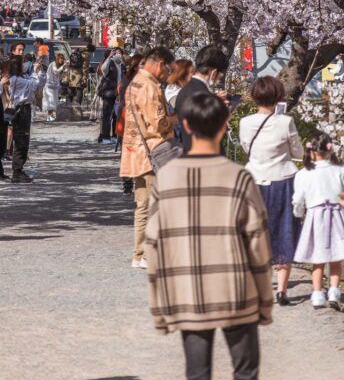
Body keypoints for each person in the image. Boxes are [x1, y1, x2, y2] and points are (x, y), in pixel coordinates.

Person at [145, 92, 273, 380]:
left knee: (198, 374)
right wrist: (265, 302)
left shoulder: (167, 179)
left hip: (189, 291)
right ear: (224, 125)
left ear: (186, 126)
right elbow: (259, 246)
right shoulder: (239, 178)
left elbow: (153, 246)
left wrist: (160, 308)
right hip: (236, 290)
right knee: (246, 372)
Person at [239, 76, 303, 306]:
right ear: (277, 97)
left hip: (254, 180)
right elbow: (298, 153)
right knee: (284, 230)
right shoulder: (285, 122)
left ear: (255, 96)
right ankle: (282, 291)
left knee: (257, 233)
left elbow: (247, 148)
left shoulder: (245, 122)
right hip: (283, 180)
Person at [120, 46, 176, 269]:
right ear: (160, 64)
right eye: (167, 69)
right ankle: (150, 254)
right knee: (156, 204)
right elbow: (159, 123)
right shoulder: (150, 86)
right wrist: (175, 119)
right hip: (154, 151)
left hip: (136, 150)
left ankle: (140, 253)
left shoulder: (135, 82)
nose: (167, 75)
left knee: (143, 205)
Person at [292, 133, 344, 309]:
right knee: (336, 257)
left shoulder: (303, 174)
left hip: (315, 216)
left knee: (318, 257)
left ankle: (317, 294)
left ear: (311, 151)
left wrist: (298, 213)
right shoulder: (340, 170)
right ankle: (334, 292)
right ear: (330, 150)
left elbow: (298, 199)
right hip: (337, 215)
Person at [174, 45, 230, 155]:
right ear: (213, 72)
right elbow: (215, 131)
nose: (219, 78)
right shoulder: (204, 95)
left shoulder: (183, 91)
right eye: (220, 74)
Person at [8, 54, 46, 183]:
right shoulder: (15, 79)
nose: (26, 64)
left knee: (25, 139)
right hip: (20, 110)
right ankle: (17, 171)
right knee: (21, 140)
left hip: (26, 108)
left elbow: (39, 83)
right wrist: (35, 71)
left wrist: (39, 71)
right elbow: (33, 85)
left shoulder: (23, 77)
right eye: (23, 62)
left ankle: (19, 168)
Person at [116, 53, 145, 194]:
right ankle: (127, 182)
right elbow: (124, 100)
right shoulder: (128, 80)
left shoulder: (140, 79)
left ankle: (135, 181)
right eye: (142, 64)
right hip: (129, 119)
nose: (144, 67)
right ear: (135, 66)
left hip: (134, 119)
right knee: (128, 152)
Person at [4, 42, 27, 160]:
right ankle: (8, 150)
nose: (21, 52)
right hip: (10, 100)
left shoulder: (20, 64)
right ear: (13, 50)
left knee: (16, 128)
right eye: (19, 50)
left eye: (22, 50)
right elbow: (5, 81)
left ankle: (16, 152)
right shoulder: (10, 63)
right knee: (10, 127)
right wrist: (9, 97)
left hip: (17, 101)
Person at [97, 47, 124, 144]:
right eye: (116, 53)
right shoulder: (110, 62)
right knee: (107, 115)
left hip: (117, 94)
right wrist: (109, 57)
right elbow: (103, 69)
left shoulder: (121, 64)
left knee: (116, 116)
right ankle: (105, 136)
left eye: (120, 53)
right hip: (108, 92)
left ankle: (114, 135)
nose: (118, 55)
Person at [43, 53, 66, 122]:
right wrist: (63, 66)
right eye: (60, 58)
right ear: (57, 58)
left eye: (62, 58)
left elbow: (61, 74)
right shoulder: (53, 64)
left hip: (54, 85)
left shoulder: (60, 66)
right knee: (50, 101)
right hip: (49, 85)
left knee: (54, 102)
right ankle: (49, 116)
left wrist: (65, 68)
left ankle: (52, 116)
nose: (62, 60)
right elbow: (56, 72)